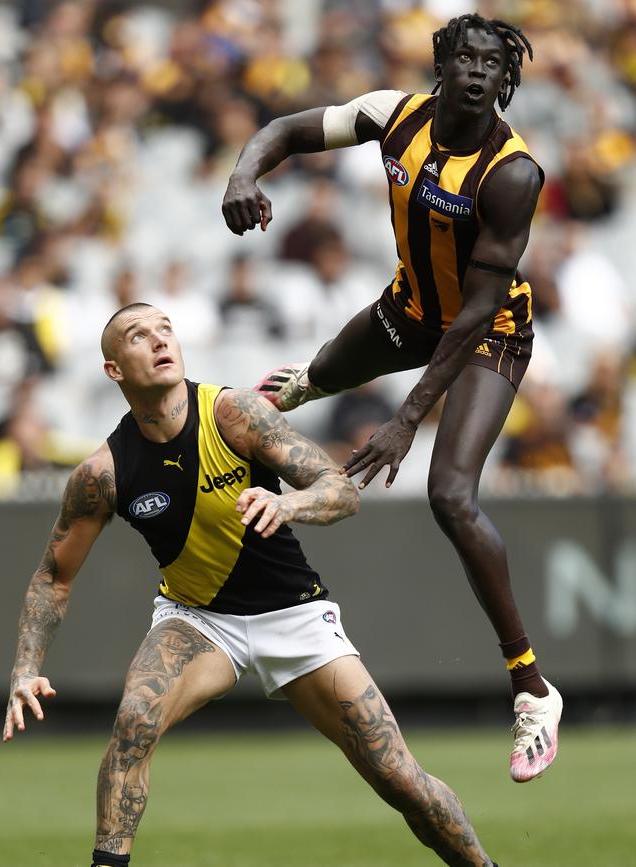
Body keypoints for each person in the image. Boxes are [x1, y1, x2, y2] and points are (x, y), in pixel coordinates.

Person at [3, 302, 501, 867]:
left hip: (294, 614)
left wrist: (288, 503)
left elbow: (341, 492)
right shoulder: (103, 473)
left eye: (166, 329)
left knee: (401, 781)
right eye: (138, 336)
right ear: (114, 369)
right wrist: (25, 668)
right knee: (134, 719)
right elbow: (52, 577)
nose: (159, 340)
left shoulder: (232, 413)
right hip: (198, 620)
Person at [222, 12, 563, 783]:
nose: (478, 71)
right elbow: (285, 128)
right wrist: (246, 173)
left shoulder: (513, 173)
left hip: (485, 335)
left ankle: (533, 689)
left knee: (450, 496)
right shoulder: (392, 114)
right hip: (409, 312)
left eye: (493, 63)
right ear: (443, 62)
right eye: (466, 56)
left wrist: (408, 418)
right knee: (297, 383)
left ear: (506, 79)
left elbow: (476, 309)